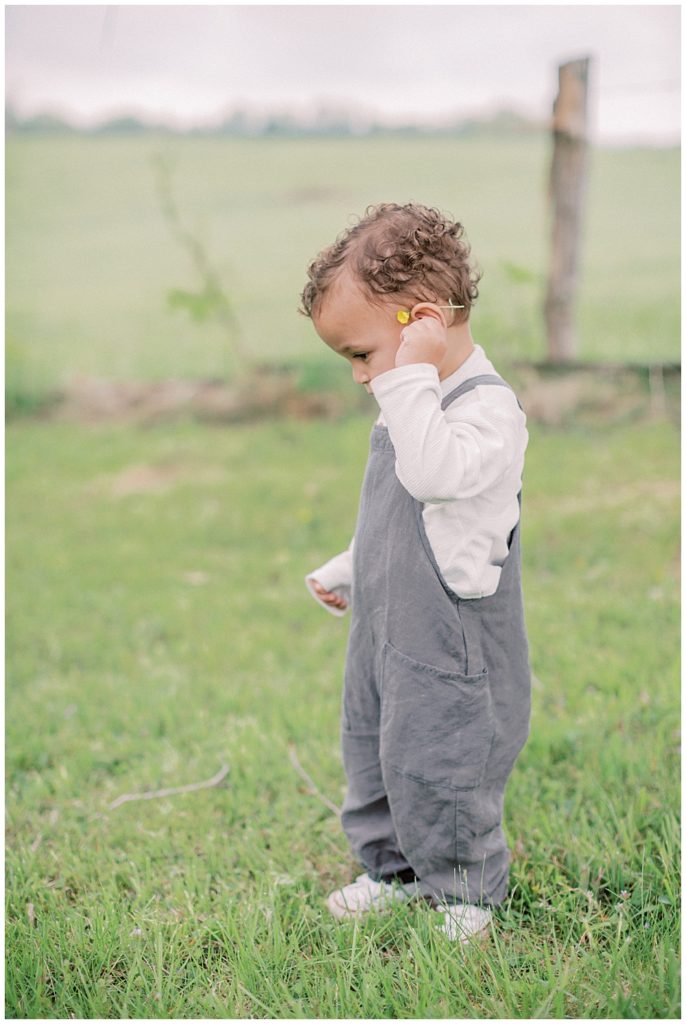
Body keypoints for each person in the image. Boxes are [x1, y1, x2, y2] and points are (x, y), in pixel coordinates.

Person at [297, 202, 532, 944]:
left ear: (424, 322)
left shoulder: (487, 411)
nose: (365, 378)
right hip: (387, 625)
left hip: (450, 636)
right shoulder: (411, 395)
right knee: (373, 746)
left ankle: (465, 886)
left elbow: (432, 477)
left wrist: (409, 379)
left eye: (364, 355)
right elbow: (396, 511)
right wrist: (354, 565)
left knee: (442, 759)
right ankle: (391, 870)